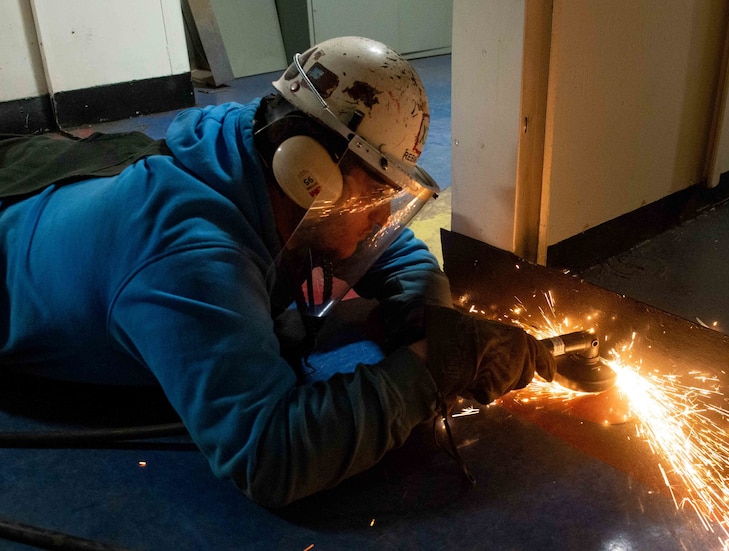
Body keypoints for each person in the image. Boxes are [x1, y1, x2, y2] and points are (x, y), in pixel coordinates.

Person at [0, 37, 555, 507]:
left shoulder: (254, 141)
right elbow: (273, 455)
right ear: (309, 174)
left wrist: (427, 318)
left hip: (66, 203)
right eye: (374, 197)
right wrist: (432, 368)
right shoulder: (189, 261)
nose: (382, 219)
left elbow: (394, 251)